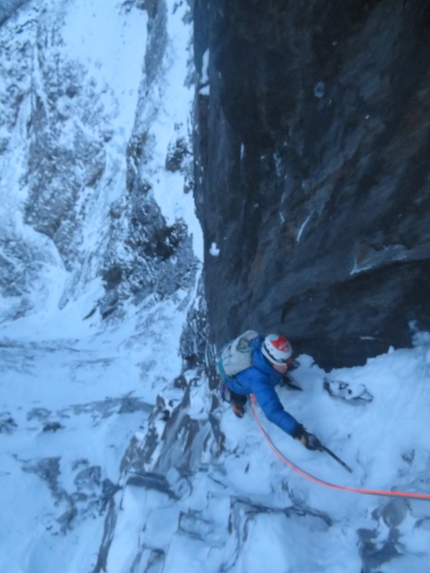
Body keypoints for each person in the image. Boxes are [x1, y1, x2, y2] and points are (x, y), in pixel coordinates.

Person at [218, 333, 321, 451]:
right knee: (239, 399)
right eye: (285, 362)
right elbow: (273, 412)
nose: (289, 364)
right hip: (236, 383)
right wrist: (299, 433)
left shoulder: (264, 347)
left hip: (256, 373)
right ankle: (232, 400)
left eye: (290, 359)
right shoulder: (259, 381)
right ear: (272, 361)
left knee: (277, 373)